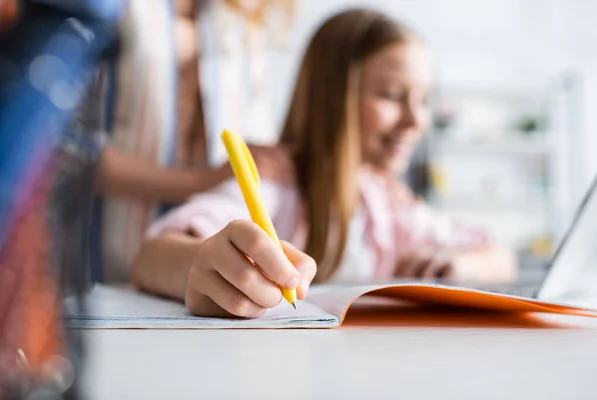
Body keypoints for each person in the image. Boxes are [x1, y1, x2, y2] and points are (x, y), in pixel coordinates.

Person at [131, 8, 517, 319]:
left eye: (423, 100)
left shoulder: (387, 203)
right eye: (392, 95)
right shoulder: (279, 185)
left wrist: (458, 266)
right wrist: (201, 264)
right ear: (331, 100)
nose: (417, 121)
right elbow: (151, 257)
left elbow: (500, 256)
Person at [91, 0, 295, 282]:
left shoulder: (242, 22)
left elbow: (260, 145)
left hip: (199, 272)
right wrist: (204, 180)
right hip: (100, 258)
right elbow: (71, 151)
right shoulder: (112, 11)